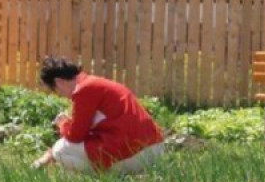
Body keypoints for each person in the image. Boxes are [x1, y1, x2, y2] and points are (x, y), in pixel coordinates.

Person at [32, 56, 165, 174]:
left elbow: (75, 136)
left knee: (60, 151)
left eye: (55, 90)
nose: (59, 95)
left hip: (137, 154)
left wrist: (62, 124)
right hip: (154, 148)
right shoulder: (94, 84)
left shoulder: (83, 91)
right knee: (67, 156)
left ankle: (101, 177)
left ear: (59, 82)